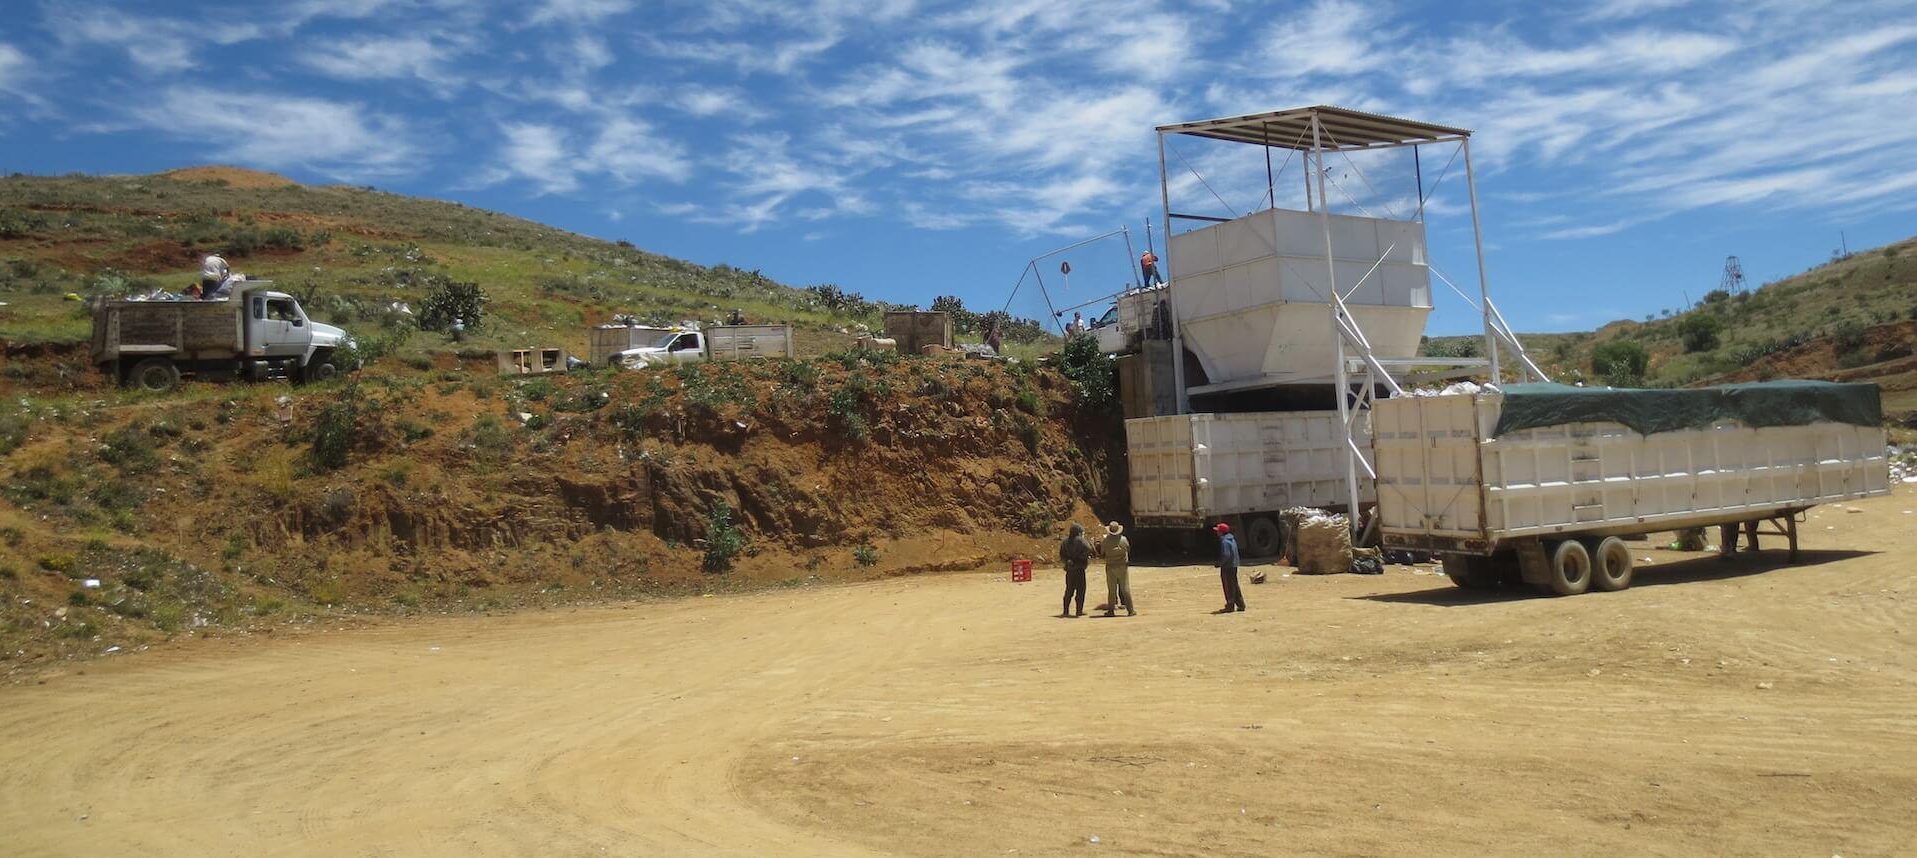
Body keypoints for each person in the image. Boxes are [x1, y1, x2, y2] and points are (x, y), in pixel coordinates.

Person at [1099, 521, 1133, 617]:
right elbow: (1128, 549)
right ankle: (1130, 610)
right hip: (1122, 566)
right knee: (1125, 588)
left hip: (1110, 566)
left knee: (1112, 589)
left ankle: (1111, 610)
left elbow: (1102, 553)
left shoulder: (1105, 541)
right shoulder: (1123, 540)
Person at [1058, 522, 1092, 618]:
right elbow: (1089, 548)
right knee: (1080, 590)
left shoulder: (1064, 542)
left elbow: (1061, 555)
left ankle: (1065, 611)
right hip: (1079, 569)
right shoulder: (1081, 541)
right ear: (1078, 532)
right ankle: (1079, 611)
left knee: (1069, 590)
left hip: (1069, 570)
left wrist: (1068, 561)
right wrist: (1081, 558)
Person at [1213, 522, 1245, 613]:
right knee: (1234, 584)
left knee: (1228, 586)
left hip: (1227, 566)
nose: (1217, 533)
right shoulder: (1232, 539)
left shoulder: (1224, 541)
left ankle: (1230, 605)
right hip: (1234, 565)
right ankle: (1240, 604)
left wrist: (1220, 563)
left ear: (1221, 532)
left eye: (1218, 531)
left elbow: (1226, 555)